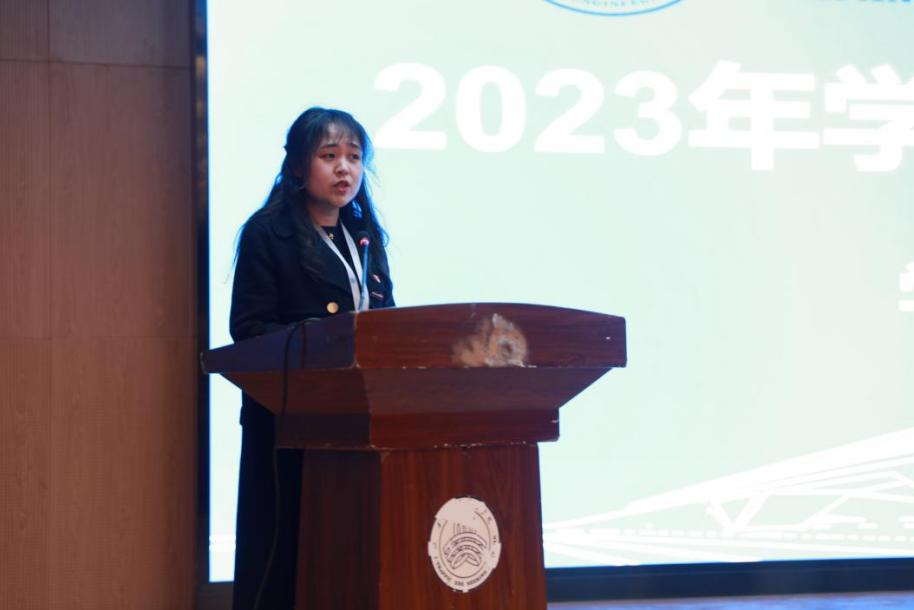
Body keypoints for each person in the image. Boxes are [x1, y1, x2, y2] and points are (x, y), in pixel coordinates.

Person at [229, 107, 395, 610]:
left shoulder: (365, 237)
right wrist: (324, 341)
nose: (345, 168)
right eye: (329, 156)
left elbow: (387, 325)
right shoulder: (267, 233)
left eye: (354, 157)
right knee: (284, 557)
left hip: (357, 421)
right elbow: (249, 331)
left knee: (346, 555)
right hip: (288, 423)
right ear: (299, 165)